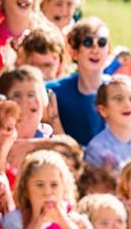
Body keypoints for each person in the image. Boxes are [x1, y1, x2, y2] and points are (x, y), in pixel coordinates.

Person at [46, 18, 111, 146]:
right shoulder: (54, 91)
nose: (95, 49)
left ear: (108, 50)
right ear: (74, 52)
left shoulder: (119, 90)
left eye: (102, 43)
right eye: (88, 42)